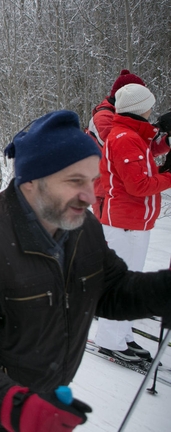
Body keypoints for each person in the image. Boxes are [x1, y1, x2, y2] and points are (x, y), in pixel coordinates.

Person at [0, 110, 171, 432]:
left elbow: (112, 290)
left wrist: (165, 288)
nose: (90, 195)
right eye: (74, 181)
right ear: (31, 181)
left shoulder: (82, 226)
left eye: (92, 180)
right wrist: (12, 404)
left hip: (49, 399)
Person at [93, 84, 171, 363]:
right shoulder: (124, 137)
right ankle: (110, 339)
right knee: (122, 284)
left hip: (136, 221)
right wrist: (169, 175)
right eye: (149, 105)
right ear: (140, 108)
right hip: (124, 221)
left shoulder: (133, 135)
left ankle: (122, 333)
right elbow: (138, 185)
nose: (152, 109)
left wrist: (166, 143)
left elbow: (147, 156)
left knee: (131, 280)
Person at [84, 69, 170, 219]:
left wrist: (166, 141)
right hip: (106, 189)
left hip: (121, 186)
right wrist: (157, 128)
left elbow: (143, 149)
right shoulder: (103, 117)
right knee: (109, 238)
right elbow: (125, 149)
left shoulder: (126, 117)